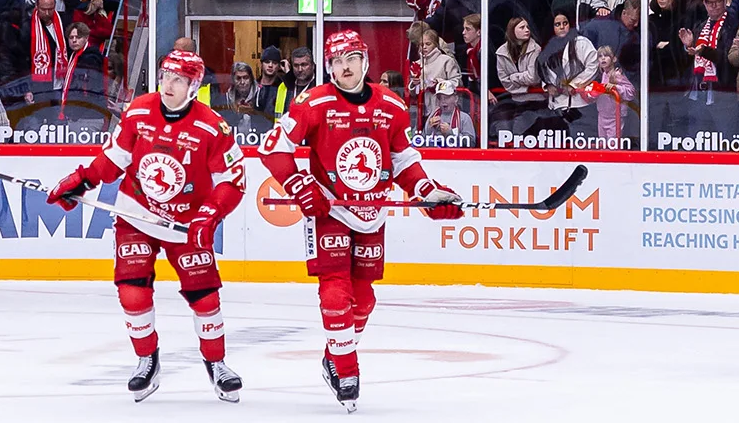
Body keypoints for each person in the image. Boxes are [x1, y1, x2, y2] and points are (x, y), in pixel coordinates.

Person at [258, 30, 463, 411]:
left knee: (364, 298)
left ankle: (332, 354)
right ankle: (346, 367)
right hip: (330, 210)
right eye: (336, 61)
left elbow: (403, 162)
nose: (344, 67)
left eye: (351, 58)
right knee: (336, 292)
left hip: (372, 214)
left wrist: (428, 193)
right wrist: (302, 185)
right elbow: (273, 149)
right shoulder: (314, 102)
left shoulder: (392, 105)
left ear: (364, 60)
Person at [46, 50, 246, 403]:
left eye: (178, 80)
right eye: (165, 76)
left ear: (193, 85)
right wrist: (81, 181)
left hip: (187, 222)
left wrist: (210, 215)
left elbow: (233, 180)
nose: (168, 85)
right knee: (132, 291)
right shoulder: (139, 110)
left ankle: (217, 364)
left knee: (205, 297)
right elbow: (114, 158)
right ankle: (146, 360)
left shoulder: (212, 126)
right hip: (136, 213)